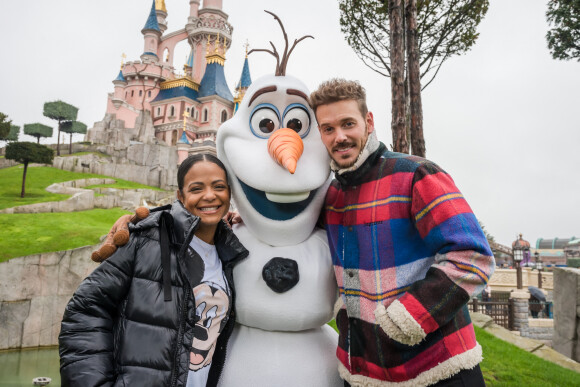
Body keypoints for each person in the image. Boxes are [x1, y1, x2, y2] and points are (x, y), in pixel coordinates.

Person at [309, 79, 495, 387]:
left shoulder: (415, 174)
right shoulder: (329, 197)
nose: (339, 137)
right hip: (361, 373)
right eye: (328, 129)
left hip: (438, 370)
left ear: (368, 122)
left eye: (347, 124)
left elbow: (472, 257)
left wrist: (407, 318)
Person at [59, 153, 248, 387]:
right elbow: (84, 310)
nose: (209, 196)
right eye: (196, 189)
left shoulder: (232, 250)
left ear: (230, 193)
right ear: (180, 195)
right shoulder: (145, 238)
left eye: (218, 187)